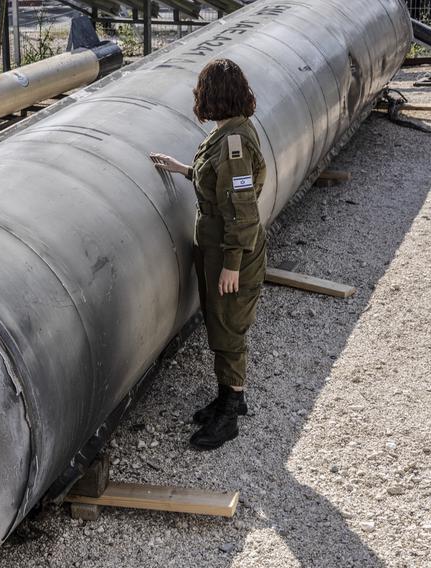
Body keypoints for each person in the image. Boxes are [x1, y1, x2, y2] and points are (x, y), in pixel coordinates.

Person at [150, 58, 267, 451]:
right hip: (216, 246)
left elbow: (241, 208)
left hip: (229, 250)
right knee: (220, 323)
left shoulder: (234, 144)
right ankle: (228, 396)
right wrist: (182, 168)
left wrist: (232, 264)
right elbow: (217, 183)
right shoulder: (228, 134)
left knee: (228, 327)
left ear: (212, 97)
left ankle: (230, 412)